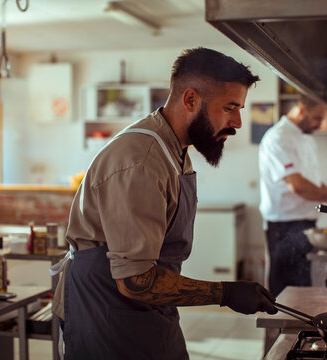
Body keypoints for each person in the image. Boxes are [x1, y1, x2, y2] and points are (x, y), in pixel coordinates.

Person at [51, 47, 277, 360]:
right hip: (106, 311)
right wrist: (224, 293)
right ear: (190, 100)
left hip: (146, 307)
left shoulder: (173, 148)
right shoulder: (141, 161)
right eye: (230, 108)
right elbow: (135, 281)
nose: (237, 121)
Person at [258, 96, 327, 297]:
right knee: (285, 292)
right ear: (301, 110)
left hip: (305, 223)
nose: (319, 125)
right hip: (285, 225)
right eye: (317, 118)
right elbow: (298, 186)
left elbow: (311, 180)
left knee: (302, 288)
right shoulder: (278, 137)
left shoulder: (306, 137)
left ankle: (297, 328)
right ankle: (279, 328)